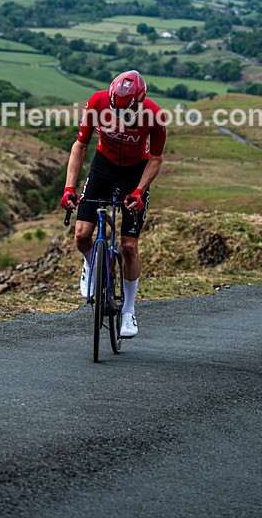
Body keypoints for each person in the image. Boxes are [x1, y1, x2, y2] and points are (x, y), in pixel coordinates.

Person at [60, 70, 166, 339]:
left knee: (129, 245)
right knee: (82, 235)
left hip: (134, 171)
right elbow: (80, 145)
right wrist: (69, 188)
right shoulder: (96, 102)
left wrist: (140, 192)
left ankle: (129, 310)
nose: (119, 118)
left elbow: (156, 158)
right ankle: (90, 265)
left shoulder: (154, 114)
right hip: (103, 167)